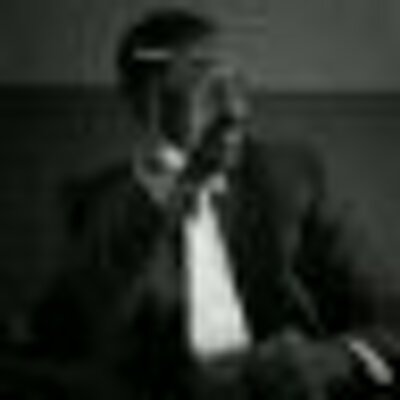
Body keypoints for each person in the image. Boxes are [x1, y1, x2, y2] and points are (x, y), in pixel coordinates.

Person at [30, 8, 400, 400]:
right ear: (146, 103)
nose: (237, 110)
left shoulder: (294, 177)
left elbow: (390, 312)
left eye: (237, 84)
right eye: (208, 89)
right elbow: (69, 335)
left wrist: (333, 359)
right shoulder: (94, 203)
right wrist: (162, 180)